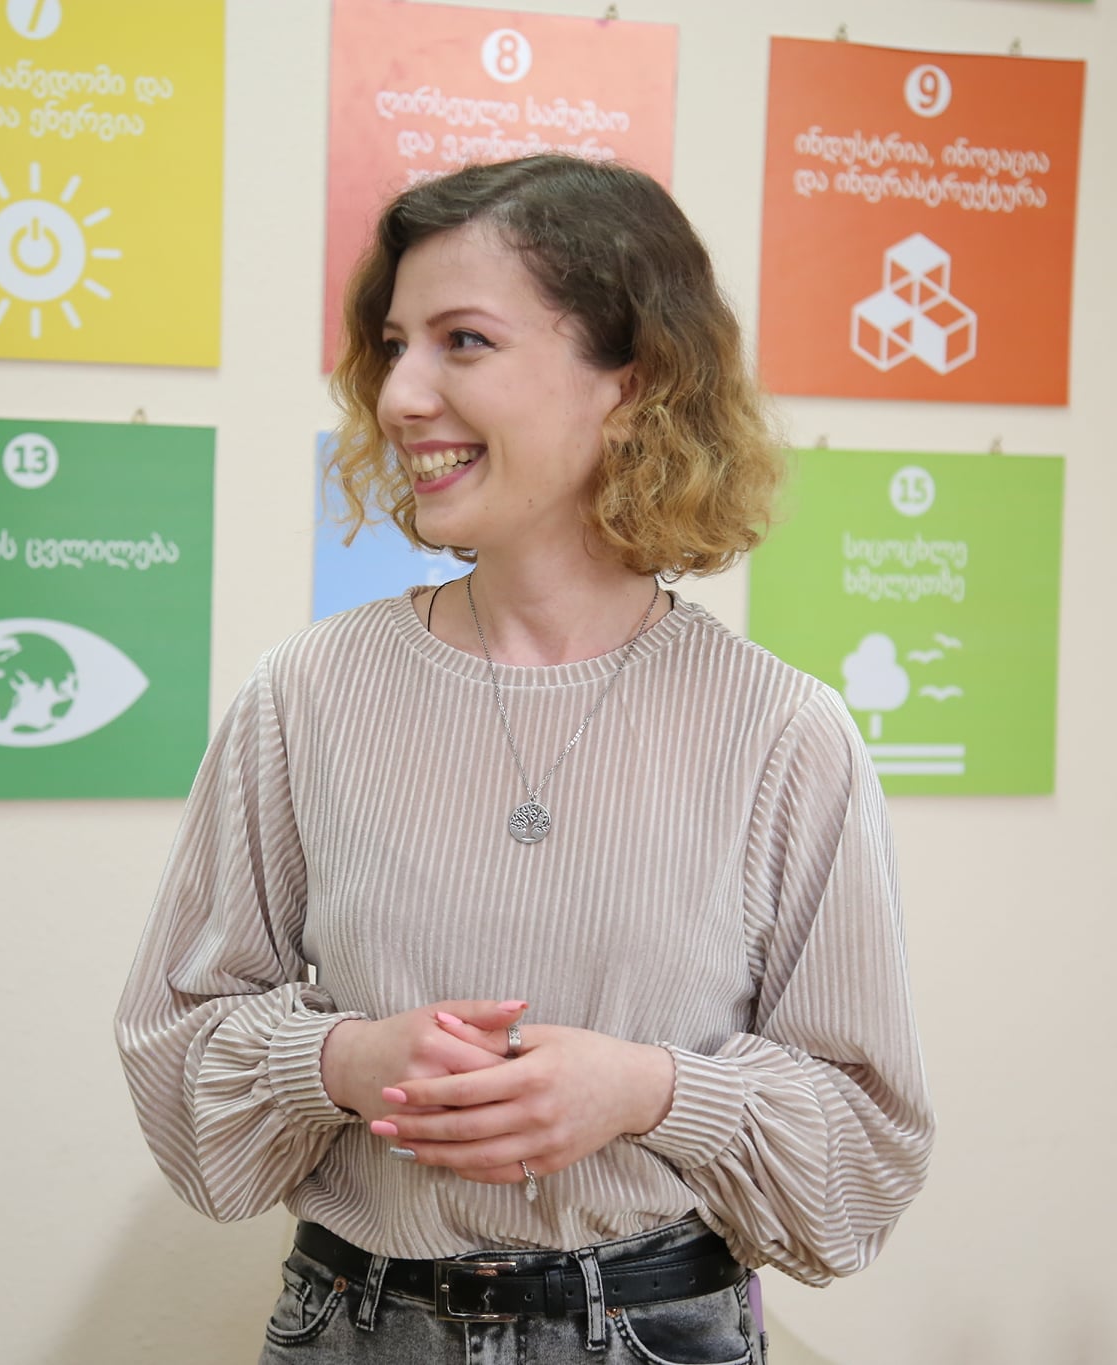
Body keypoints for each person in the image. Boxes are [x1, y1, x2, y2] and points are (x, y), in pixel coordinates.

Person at [114, 154, 932, 1365]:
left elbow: (861, 1160)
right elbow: (177, 1064)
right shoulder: (307, 694)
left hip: (658, 1332)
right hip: (353, 1328)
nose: (400, 395)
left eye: (463, 342)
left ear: (631, 381)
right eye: (394, 347)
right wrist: (343, 1060)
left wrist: (652, 1092)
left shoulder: (780, 730)